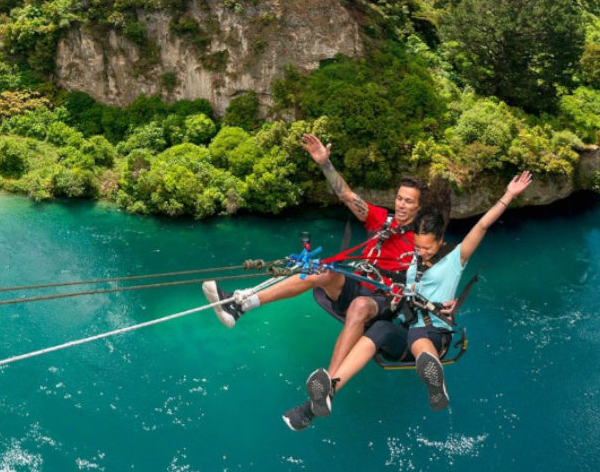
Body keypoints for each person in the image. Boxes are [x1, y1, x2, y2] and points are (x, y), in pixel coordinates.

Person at [281, 171, 534, 430]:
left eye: (427, 248)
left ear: (441, 242)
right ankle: (329, 391)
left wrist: (509, 195)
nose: (420, 253)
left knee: (420, 338)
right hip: (408, 327)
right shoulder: (413, 261)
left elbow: (481, 226)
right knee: (381, 330)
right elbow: (395, 277)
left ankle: (435, 382)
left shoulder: (455, 258)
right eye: (417, 247)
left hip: (435, 332)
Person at [202, 133, 425, 375]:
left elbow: (439, 273)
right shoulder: (382, 219)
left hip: (382, 300)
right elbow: (347, 196)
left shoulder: (422, 240)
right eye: (399, 198)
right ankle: (241, 305)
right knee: (320, 271)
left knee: (360, 306)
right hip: (356, 285)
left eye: (409, 201)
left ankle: (330, 381)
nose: (401, 204)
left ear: (419, 207)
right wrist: (324, 163)